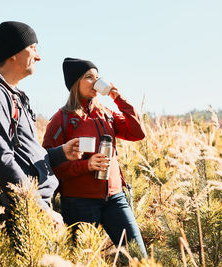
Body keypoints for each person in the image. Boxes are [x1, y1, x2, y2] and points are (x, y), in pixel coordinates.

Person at [0, 22, 81, 225]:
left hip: (32, 207)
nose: (38, 56)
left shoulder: (12, 95)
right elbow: (0, 159)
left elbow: (22, 155)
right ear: (13, 53)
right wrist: (39, 209)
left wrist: (61, 153)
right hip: (21, 213)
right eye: (33, 48)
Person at [42, 57, 147, 257]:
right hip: (79, 203)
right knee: (82, 260)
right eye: (89, 77)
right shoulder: (61, 120)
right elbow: (49, 165)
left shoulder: (105, 114)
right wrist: (86, 165)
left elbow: (138, 132)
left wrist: (118, 98)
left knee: (139, 258)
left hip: (115, 198)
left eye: (97, 77)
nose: (96, 82)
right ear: (75, 83)